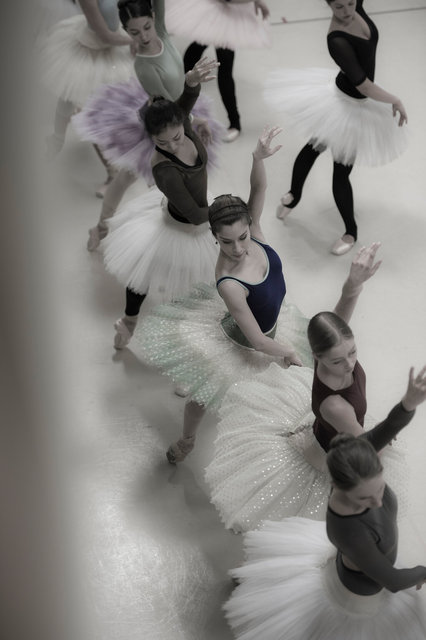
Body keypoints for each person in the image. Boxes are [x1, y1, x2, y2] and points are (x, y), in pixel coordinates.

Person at [135, 126, 313, 464]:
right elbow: (259, 343)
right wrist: (287, 351)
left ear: (249, 225)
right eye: (226, 241)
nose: (237, 248)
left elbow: (258, 188)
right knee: (204, 396)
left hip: (273, 327)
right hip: (246, 343)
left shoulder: (255, 232)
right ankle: (187, 440)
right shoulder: (229, 282)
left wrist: (257, 157)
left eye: (242, 237)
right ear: (214, 236)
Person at [205, 242, 407, 532]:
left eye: (352, 352)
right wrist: (395, 425)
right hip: (335, 455)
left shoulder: (327, 353)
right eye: (338, 360)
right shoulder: (335, 406)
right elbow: (369, 446)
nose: (349, 364)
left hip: (335, 432)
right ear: (318, 357)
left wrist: (353, 284)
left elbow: (337, 319)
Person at [224, 365, 426, 640]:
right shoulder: (347, 531)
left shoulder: (355, 457)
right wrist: (422, 572)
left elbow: (390, 426)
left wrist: (408, 403)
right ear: (338, 488)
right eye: (365, 498)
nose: (378, 500)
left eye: (379, 487)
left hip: (366, 563)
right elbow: (391, 581)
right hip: (359, 599)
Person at [73, 0, 223, 250]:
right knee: (125, 178)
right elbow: (172, 109)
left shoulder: (161, 32)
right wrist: (197, 119)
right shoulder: (144, 66)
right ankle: (99, 228)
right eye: (134, 32)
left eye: (146, 27)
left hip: (181, 114)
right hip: (163, 121)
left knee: (147, 175)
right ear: (125, 31)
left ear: (153, 18)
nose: (143, 36)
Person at [265, 0, 408, 255]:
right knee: (332, 164)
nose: (347, 10)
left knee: (316, 147)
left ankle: (294, 196)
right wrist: (395, 99)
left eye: (351, 3)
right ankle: (348, 230)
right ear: (329, 5)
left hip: (355, 103)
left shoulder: (356, 6)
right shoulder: (336, 40)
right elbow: (364, 86)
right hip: (345, 104)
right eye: (339, 6)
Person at [102, 57, 220, 351]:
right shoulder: (164, 169)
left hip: (199, 217)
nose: (173, 145)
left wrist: (192, 79)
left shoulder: (181, 123)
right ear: (152, 138)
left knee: (168, 276)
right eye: (162, 143)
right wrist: (230, 211)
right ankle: (129, 321)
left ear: (183, 123)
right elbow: (194, 215)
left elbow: (187, 97)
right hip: (187, 223)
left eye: (177, 137)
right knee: (144, 273)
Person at [40, 0, 134, 193]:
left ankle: (57, 139)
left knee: (73, 97)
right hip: (94, 48)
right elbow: (105, 35)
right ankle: (112, 172)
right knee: (84, 107)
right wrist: (137, 38)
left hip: (111, 49)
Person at [166, 0, 270, 142]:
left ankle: (234, 123)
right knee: (203, 48)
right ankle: (234, 122)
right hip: (218, 8)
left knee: (209, 52)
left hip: (228, 11)